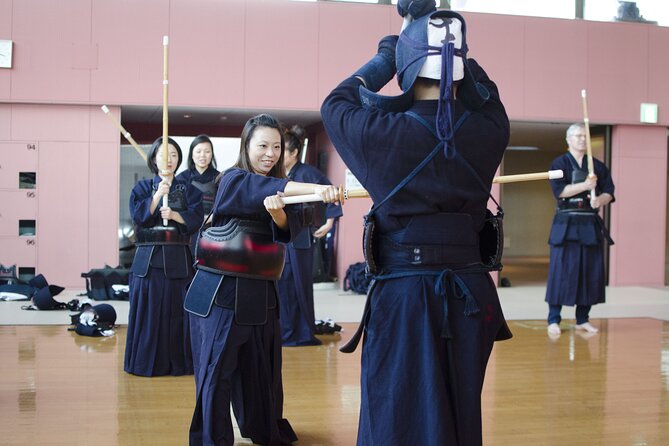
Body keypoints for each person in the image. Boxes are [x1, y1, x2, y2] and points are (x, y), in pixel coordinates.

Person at [320, 2, 512, 445]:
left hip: (406, 297)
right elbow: (487, 91)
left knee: (396, 414)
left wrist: (392, 48)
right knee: (458, 411)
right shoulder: (490, 129)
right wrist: (446, 36)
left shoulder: (379, 132)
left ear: (406, 67)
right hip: (471, 295)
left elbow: (337, 102)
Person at [185, 114, 340, 446]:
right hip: (221, 292)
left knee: (262, 371)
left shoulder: (282, 191)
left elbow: (288, 231)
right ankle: (212, 439)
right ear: (246, 146)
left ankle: (261, 428)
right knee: (217, 372)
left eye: (277, 147)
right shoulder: (233, 179)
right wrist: (319, 189)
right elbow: (262, 188)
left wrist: (278, 213)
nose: (271, 154)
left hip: (261, 292)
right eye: (263, 146)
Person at [125, 137, 204, 376]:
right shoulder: (141, 188)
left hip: (178, 257)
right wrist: (158, 196)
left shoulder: (189, 190)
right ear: (153, 158)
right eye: (162, 154)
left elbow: (196, 218)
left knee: (178, 312)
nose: (168, 159)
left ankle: (180, 363)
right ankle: (144, 363)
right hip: (148, 259)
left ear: (179, 160)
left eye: (173, 155)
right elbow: (139, 217)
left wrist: (176, 216)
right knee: (148, 311)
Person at [545, 123, 615, 336]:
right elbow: (560, 192)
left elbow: (610, 192)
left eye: (585, 136)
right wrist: (585, 186)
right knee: (561, 271)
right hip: (566, 224)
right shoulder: (558, 163)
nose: (582, 139)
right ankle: (553, 319)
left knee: (590, 272)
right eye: (578, 136)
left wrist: (599, 200)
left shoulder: (598, 166)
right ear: (568, 140)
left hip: (589, 224)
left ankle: (582, 318)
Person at [277, 124, 343, 346]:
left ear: (294, 153)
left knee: (299, 284)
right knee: (281, 283)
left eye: (281, 150)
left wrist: (330, 221)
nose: (276, 155)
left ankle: (302, 332)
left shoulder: (308, 174)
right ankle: (283, 330)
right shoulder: (275, 175)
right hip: (279, 236)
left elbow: (331, 195)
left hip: (301, 236)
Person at [177, 134, 220, 216]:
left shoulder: (220, 178)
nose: (202, 155)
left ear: (212, 155)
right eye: (198, 151)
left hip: (213, 224)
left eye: (207, 152)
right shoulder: (181, 178)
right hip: (188, 224)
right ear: (192, 155)